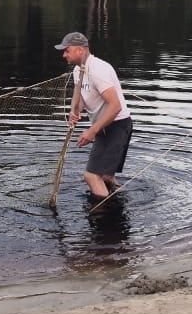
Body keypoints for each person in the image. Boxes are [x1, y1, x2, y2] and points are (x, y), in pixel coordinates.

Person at [55, 32, 133, 201]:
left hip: (116, 125)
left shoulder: (99, 70)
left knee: (91, 176)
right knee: (105, 177)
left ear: (80, 50)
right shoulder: (78, 70)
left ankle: (104, 213)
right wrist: (75, 110)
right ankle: (118, 200)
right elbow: (80, 92)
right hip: (107, 126)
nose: (64, 55)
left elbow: (115, 106)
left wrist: (92, 131)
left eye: (67, 50)